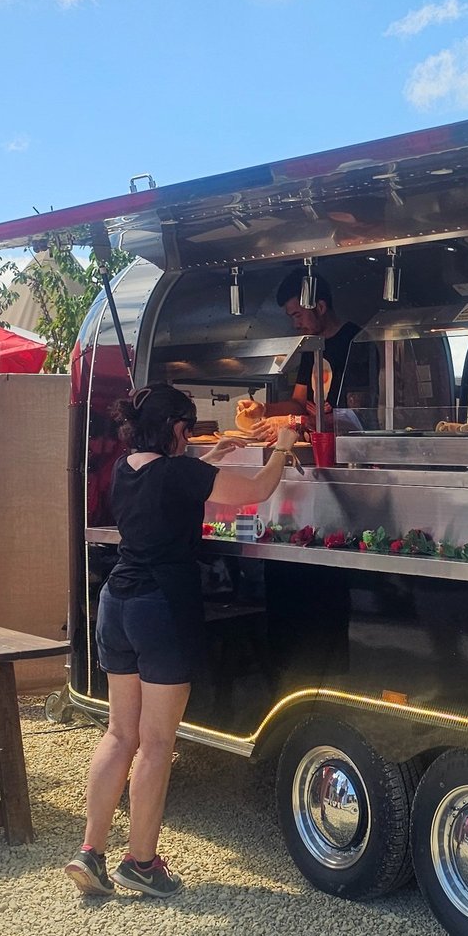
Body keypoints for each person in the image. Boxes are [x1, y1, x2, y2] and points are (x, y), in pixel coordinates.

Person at [65, 385, 296, 898]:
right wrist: (283, 442)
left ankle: (90, 852)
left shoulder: (125, 467)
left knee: (120, 735)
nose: (191, 438)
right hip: (162, 609)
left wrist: (209, 456)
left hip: (117, 605)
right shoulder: (181, 472)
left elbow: (164, 487)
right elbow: (258, 487)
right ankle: (141, 863)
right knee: (157, 742)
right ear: (175, 429)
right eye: (188, 430)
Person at [270, 268, 370, 426]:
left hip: (347, 445)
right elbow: (299, 403)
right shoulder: (312, 343)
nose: (296, 325)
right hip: (316, 441)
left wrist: (300, 421)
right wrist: (263, 410)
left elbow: (357, 415)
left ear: (321, 307)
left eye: (298, 315)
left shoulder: (355, 341)